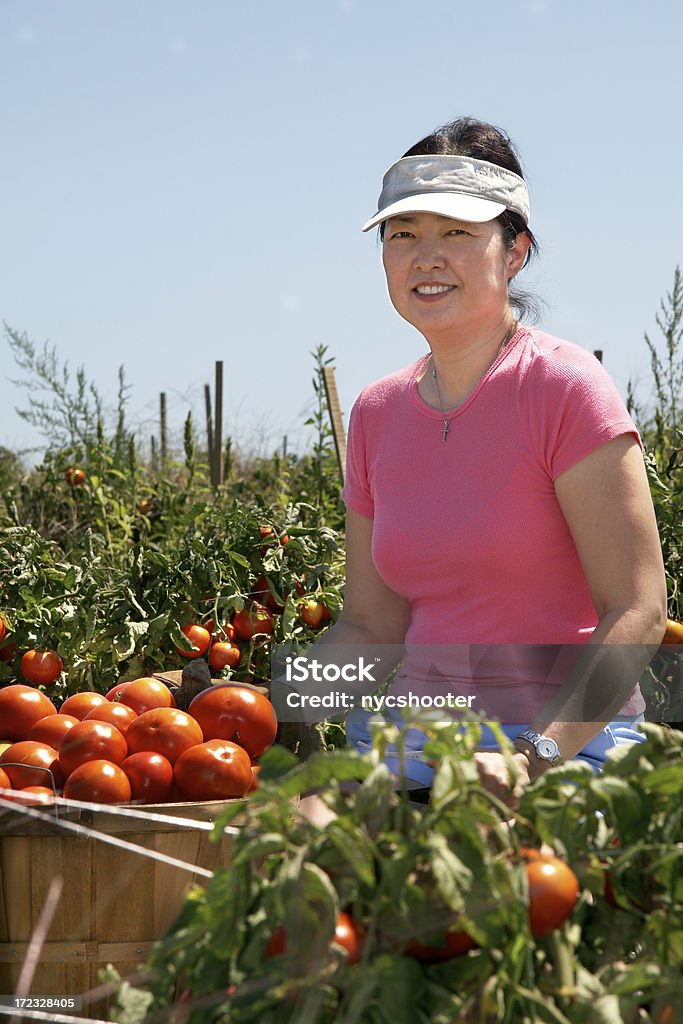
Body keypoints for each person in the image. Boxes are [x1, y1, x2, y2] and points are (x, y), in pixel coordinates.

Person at [295, 116, 668, 809]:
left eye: (456, 234)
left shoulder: (561, 387)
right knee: (278, 853)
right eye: (402, 235)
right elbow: (372, 626)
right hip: (414, 744)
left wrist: (536, 756)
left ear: (514, 251)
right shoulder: (376, 413)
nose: (424, 258)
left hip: (568, 749)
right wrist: (265, 705)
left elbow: (637, 610)